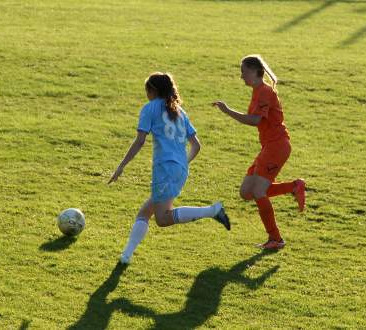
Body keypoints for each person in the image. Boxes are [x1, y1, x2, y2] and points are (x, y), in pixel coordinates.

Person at [109, 72, 230, 264]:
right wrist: (180, 164)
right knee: (144, 213)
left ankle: (212, 211)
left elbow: (140, 141)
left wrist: (121, 166)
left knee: (163, 219)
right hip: (180, 169)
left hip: (164, 169)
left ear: (153, 90)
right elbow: (196, 146)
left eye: (146, 90)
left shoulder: (150, 108)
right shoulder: (181, 112)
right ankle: (125, 256)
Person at [212, 55, 305, 250]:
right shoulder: (257, 91)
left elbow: (255, 120)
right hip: (269, 146)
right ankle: (293, 187)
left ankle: (276, 239)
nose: (241, 76)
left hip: (277, 146)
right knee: (247, 192)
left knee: (258, 191)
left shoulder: (265, 92)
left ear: (255, 71)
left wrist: (228, 111)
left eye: (243, 71)